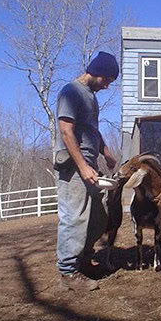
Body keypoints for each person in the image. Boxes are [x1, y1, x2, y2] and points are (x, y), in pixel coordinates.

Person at [53, 51, 119, 291]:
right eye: (107, 80)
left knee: (98, 217)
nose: (107, 85)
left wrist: (106, 151)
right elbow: (66, 131)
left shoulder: (91, 96)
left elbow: (92, 130)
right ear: (97, 71)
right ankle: (68, 273)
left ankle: (82, 261)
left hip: (89, 164)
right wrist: (82, 166)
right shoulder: (71, 92)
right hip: (73, 166)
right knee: (75, 216)